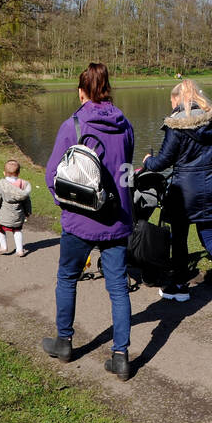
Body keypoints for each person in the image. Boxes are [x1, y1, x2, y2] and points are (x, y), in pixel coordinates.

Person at [41, 62, 137, 380]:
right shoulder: (126, 126)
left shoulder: (74, 125)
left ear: (82, 92)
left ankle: (65, 343)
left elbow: (52, 174)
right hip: (117, 219)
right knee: (118, 289)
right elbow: (125, 170)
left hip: (80, 220)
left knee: (68, 278)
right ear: (107, 89)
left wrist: (64, 204)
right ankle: (121, 356)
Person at [140, 78, 212, 311]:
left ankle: (180, 286)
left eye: (172, 103)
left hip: (184, 188)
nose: (171, 108)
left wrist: (147, 161)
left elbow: (163, 161)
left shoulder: (176, 125)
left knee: (179, 237)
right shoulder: (211, 121)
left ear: (178, 99)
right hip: (209, 183)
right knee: (208, 237)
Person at [0, 159, 32, 256]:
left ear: (4, 173)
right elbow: (27, 201)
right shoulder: (23, 186)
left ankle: (3, 246)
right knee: (17, 230)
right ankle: (20, 250)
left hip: (4, 216)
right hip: (18, 215)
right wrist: (28, 212)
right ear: (19, 173)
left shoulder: (1, 186)